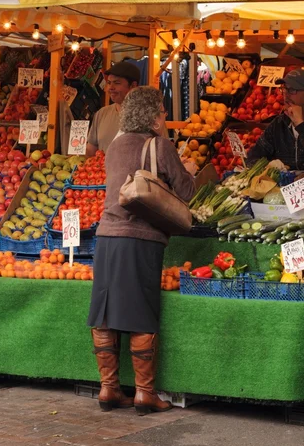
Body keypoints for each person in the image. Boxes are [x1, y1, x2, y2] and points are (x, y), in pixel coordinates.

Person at [87, 87, 196, 415]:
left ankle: (108, 389)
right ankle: (144, 394)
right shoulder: (160, 145)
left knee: (104, 313)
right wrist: (188, 168)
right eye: (161, 111)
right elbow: (186, 191)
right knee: (140, 313)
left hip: (107, 236)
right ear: (152, 116)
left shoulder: (115, 146)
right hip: (141, 238)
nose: (164, 117)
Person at [86, 61, 140, 156]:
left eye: (117, 83)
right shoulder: (101, 113)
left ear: (133, 86)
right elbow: (91, 149)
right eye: (109, 83)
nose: (110, 88)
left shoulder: (147, 115)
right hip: (101, 170)